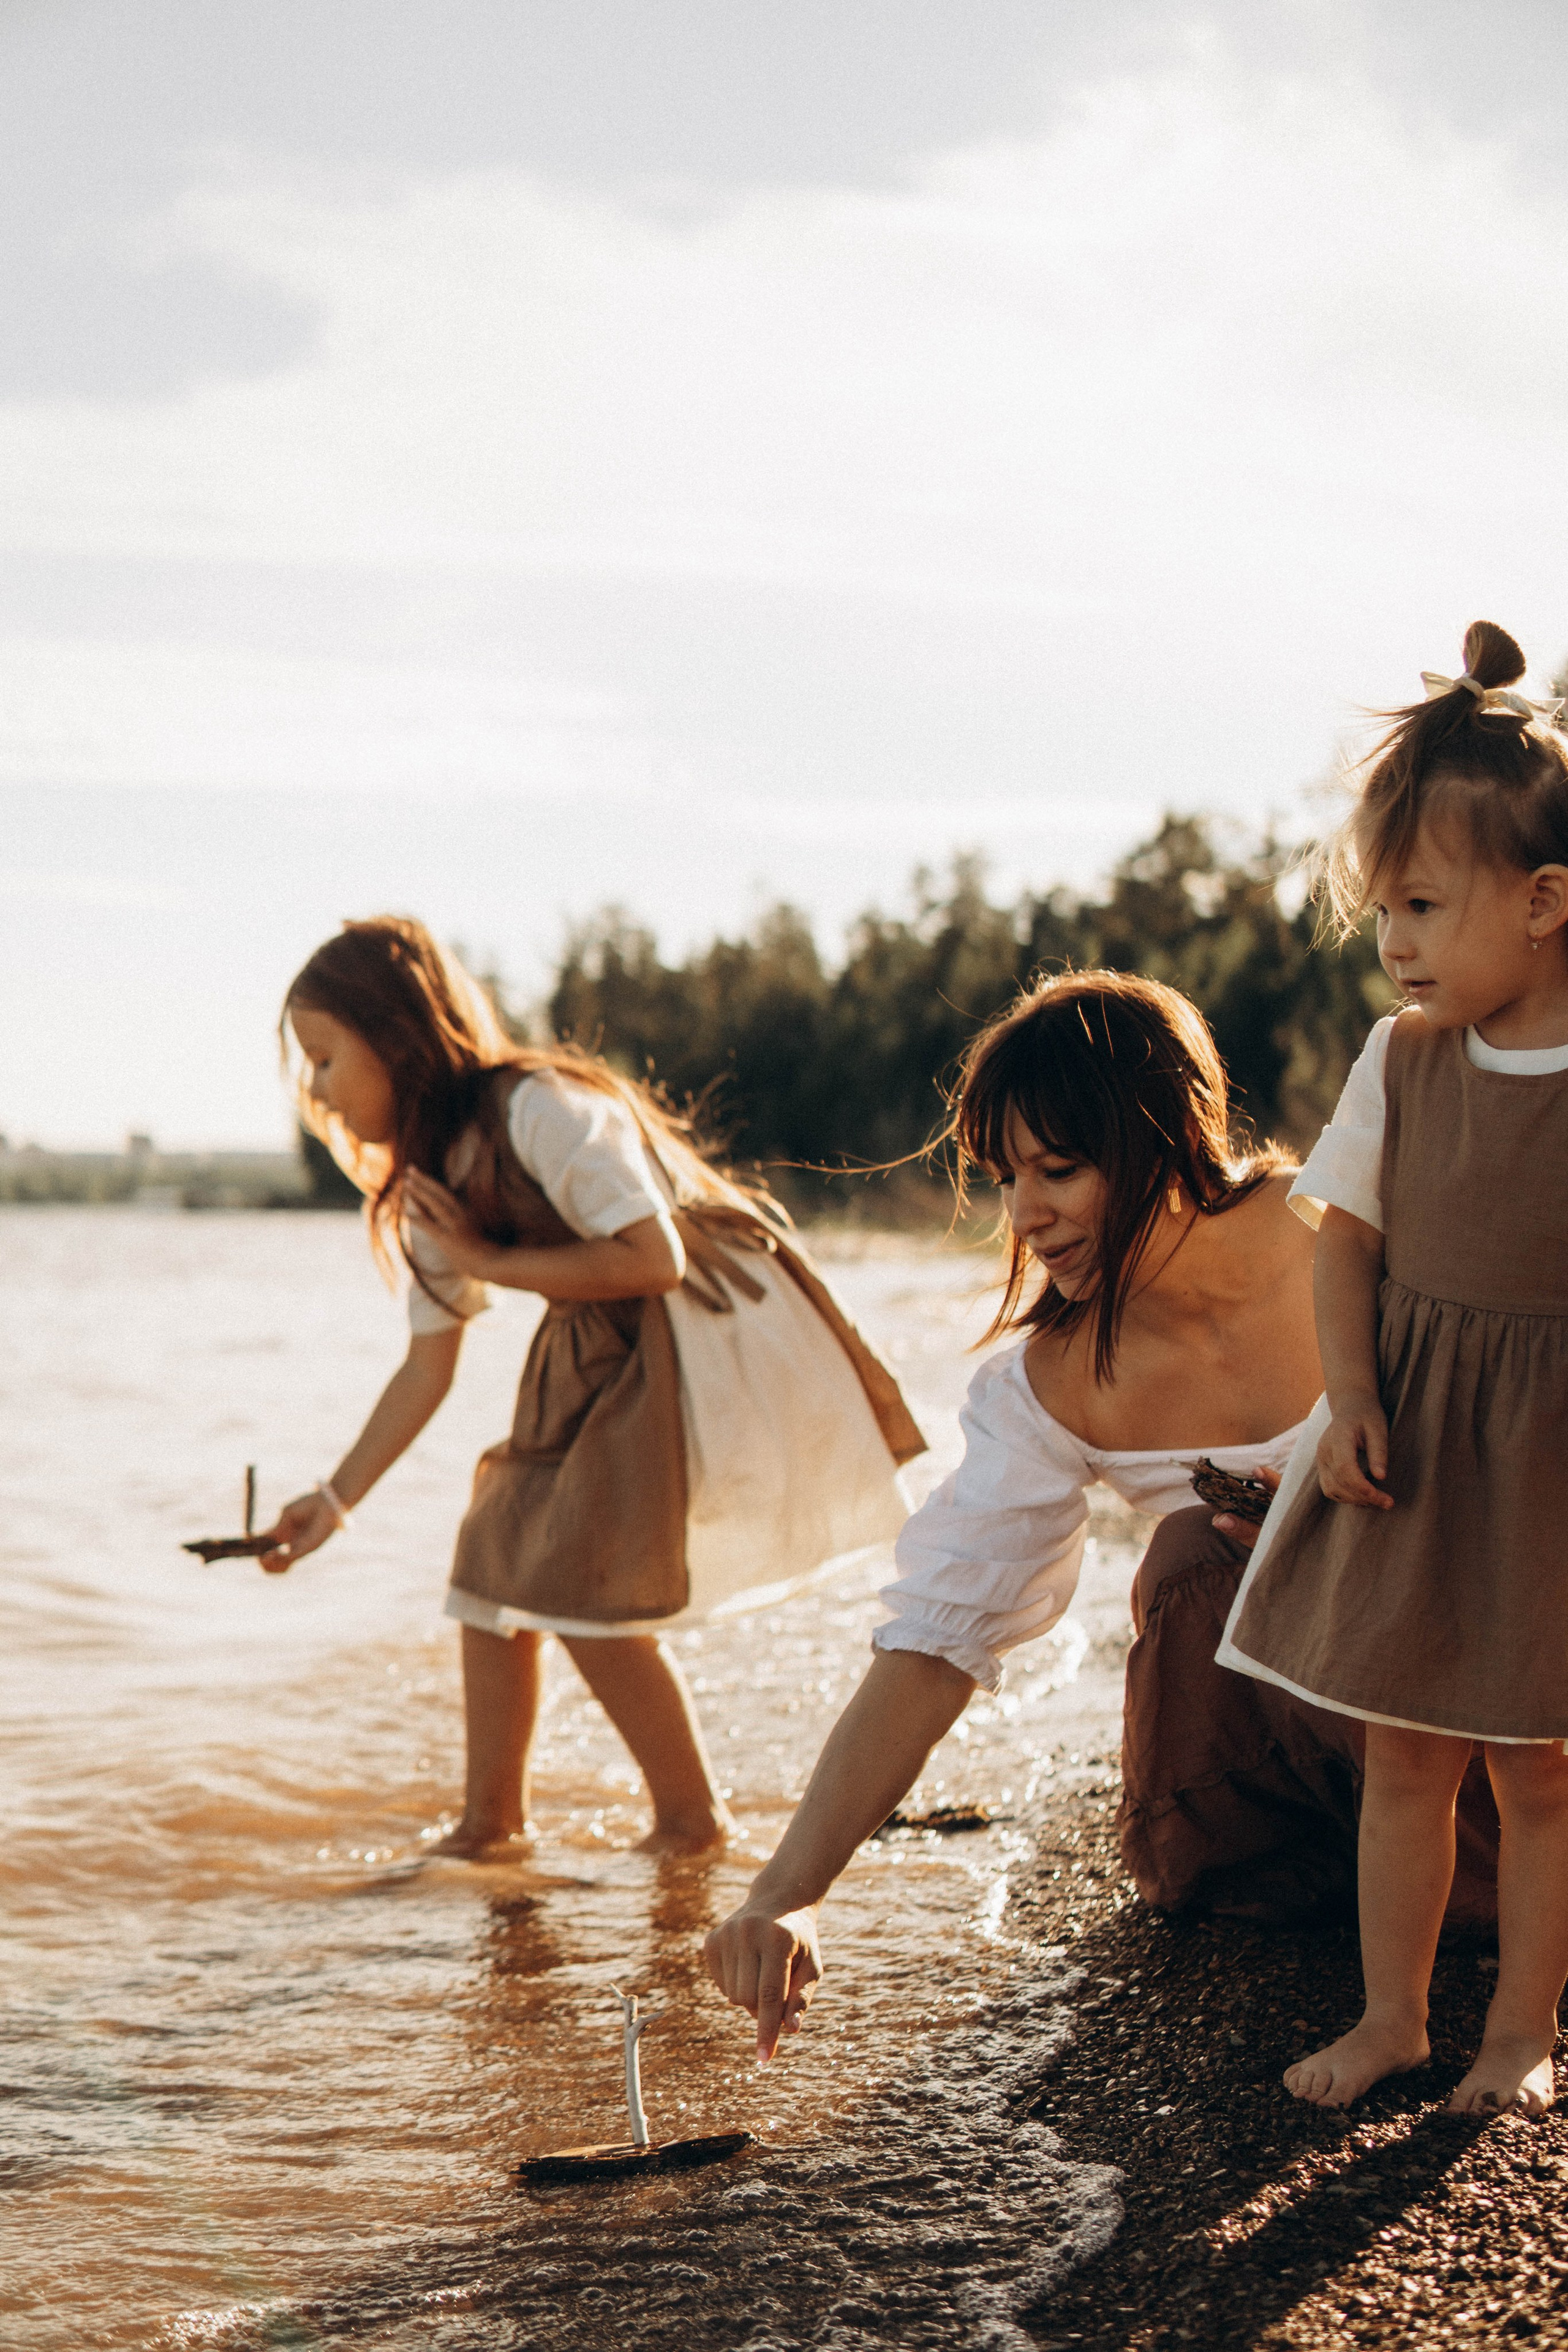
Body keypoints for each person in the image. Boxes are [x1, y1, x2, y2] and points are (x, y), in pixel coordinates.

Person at [707, 969, 1502, 2060]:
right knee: (1190, 1554)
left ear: (1163, 1136)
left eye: (1060, 1169)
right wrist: (788, 1892)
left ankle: (1462, 1892)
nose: (1026, 1217)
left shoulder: (1351, 1226)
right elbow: (939, 1641)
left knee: (1311, 1539)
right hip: (1243, 1829)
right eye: (1006, 1178)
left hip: (1449, 1723)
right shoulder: (1056, 1385)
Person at [255, 916, 924, 1858]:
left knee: (583, 1585)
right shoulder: (427, 1189)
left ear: (397, 1038)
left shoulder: (537, 1106)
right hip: (587, 1355)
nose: (313, 1090)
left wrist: (490, 1256)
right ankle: (492, 1829)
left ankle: (692, 1821)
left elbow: (655, 1257)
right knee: (492, 1564)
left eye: (324, 1058)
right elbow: (427, 1365)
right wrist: (332, 1500)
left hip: (691, 1330)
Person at [1219, 622, 1568, 2119]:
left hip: (1550, 1456)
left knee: (1542, 1772)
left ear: (1544, 901)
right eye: (1383, 912)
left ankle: (1518, 2039)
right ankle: (1390, 2019)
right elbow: (1341, 1243)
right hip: (1420, 1438)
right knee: (1406, 1754)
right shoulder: (1399, 1060)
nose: (1397, 945)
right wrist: (1348, 1394)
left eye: (1423, 906)